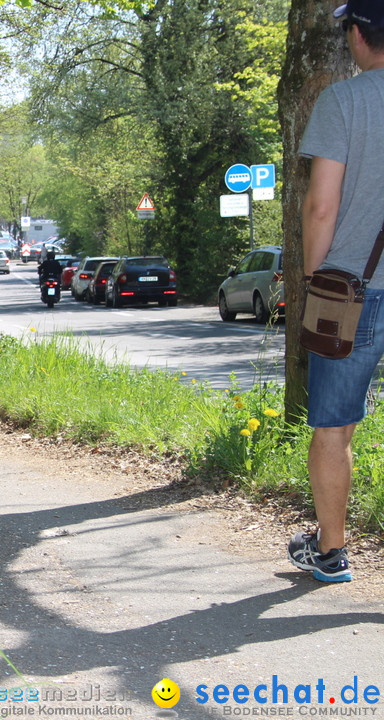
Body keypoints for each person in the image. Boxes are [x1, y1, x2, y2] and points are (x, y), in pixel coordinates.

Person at [288, 0, 384, 583]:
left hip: (354, 290)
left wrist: (312, 279)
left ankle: (332, 552)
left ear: (357, 34)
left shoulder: (344, 101)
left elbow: (321, 205)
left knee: (335, 427)